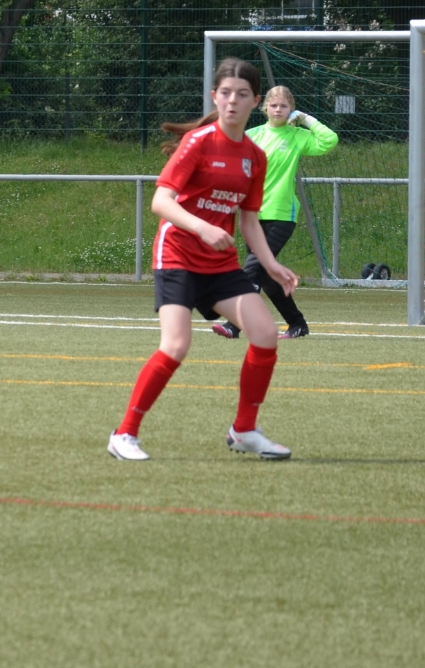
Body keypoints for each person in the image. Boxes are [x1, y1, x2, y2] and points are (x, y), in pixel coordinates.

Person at [108, 57, 300, 463]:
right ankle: (124, 434)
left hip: (219, 262)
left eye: (242, 94)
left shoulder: (255, 156)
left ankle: (244, 430)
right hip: (177, 253)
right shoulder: (199, 142)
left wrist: (270, 264)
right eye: (225, 93)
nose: (232, 101)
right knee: (176, 345)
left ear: (255, 102)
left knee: (265, 334)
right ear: (215, 96)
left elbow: (249, 220)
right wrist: (202, 227)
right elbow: (162, 201)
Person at [204, 83, 338, 340]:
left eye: (284, 106)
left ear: (292, 109)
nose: (278, 110)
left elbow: (329, 140)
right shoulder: (252, 135)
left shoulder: (297, 136)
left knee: (251, 270)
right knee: (265, 276)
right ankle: (297, 324)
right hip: (252, 216)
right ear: (265, 108)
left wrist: (306, 119)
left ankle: (234, 324)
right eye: (274, 105)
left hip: (281, 214)